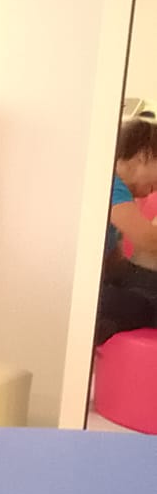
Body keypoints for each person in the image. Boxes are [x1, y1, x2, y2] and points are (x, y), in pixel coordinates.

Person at [96, 118, 157, 344]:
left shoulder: (119, 194)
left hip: (101, 282)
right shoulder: (109, 183)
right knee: (139, 304)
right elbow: (146, 239)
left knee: (139, 298)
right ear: (144, 156)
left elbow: (114, 262)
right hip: (77, 291)